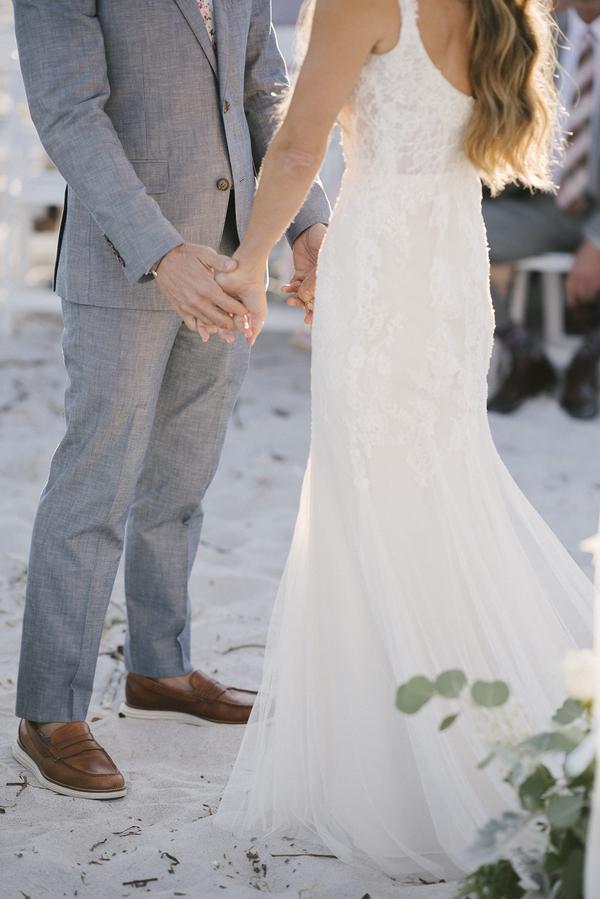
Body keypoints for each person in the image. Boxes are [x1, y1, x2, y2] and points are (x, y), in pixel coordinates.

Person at [212, 0, 594, 880]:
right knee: (436, 486)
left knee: (369, 495)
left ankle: (401, 764)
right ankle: (420, 730)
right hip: (452, 263)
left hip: (385, 268)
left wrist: (249, 261)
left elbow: (302, 143)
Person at [10, 0, 330, 801]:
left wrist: (306, 223)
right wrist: (159, 250)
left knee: (182, 478)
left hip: (235, 259)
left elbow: (264, 93)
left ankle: (159, 665)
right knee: (96, 482)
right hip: (126, 264)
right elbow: (68, 114)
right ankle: (49, 713)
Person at [486, 0, 600, 420]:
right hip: (541, 205)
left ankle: (589, 359)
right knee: (450, 233)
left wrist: (597, 242)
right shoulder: (534, 27)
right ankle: (523, 353)